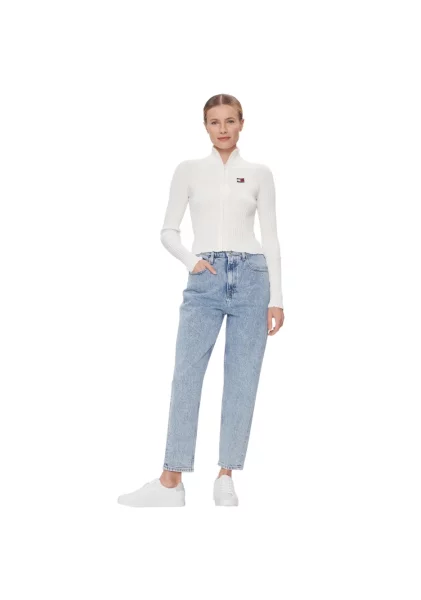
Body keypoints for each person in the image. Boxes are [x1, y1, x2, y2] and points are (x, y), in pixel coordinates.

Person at [118, 93, 284, 507]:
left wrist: (277, 298)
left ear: (242, 123)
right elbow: (168, 231)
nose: (223, 129)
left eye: (230, 121)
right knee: (186, 376)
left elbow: (271, 237)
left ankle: (226, 475)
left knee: (242, 378)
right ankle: (170, 481)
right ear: (206, 126)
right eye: (214, 122)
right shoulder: (188, 171)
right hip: (205, 278)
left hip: (252, 278)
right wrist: (192, 262)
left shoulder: (259, 173)